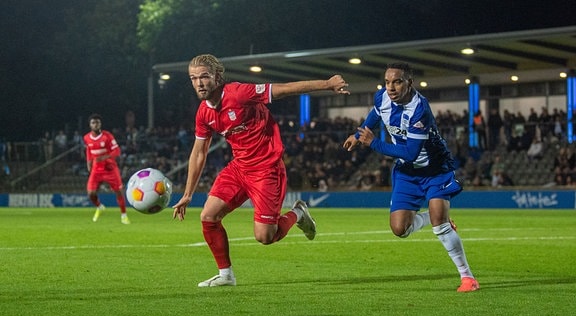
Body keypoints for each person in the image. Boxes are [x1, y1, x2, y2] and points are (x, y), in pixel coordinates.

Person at [172, 54, 349, 287]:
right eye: (193, 78)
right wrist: (187, 194)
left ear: (217, 77)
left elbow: (284, 89)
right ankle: (226, 275)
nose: (199, 83)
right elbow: (198, 153)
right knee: (208, 216)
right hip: (238, 168)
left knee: (265, 237)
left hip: (267, 169)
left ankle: (298, 213)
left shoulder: (239, 93)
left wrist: (327, 84)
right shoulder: (204, 113)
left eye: (204, 76)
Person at [342, 62, 479, 292]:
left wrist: (372, 142)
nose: (391, 88)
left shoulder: (420, 110)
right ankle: (437, 218)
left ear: (409, 83)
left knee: (440, 224)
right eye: (387, 82)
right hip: (407, 172)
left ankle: (467, 277)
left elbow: (411, 152)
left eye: (396, 82)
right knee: (400, 229)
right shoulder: (382, 98)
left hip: (435, 169)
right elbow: (375, 115)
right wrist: (358, 134)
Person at [83, 114, 130, 225]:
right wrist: (88, 163)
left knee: (119, 192)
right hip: (96, 169)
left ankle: (124, 215)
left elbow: (117, 151)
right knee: (91, 193)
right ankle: (99, 206)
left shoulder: (107, 136)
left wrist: (105, 157)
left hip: (110, 168)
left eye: (97, 122)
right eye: (93, 123)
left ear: (100, 124)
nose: (96, 124)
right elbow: (89, 150)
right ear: (90, 125)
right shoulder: (86, 138)